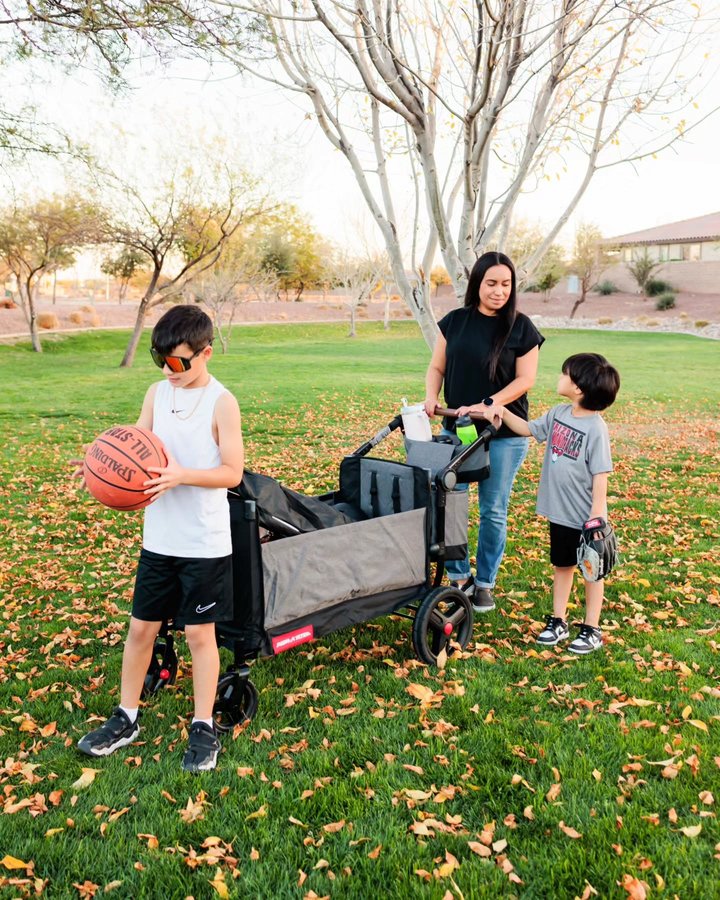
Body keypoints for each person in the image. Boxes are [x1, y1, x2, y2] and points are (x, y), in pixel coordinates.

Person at [75, 305, 244, 771]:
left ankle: (204, 725)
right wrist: (99, 467)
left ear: (206, 353)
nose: (168, 371)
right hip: (160, 540)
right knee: (140, 630)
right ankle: (126, 718)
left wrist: (181, 475)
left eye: (177, 362)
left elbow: (232, 472)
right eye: (160, 360)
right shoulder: (156, 393)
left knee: (198, 636)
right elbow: (135, 448)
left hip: (204, 543)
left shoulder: (221, 402)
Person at [424, 251, 544, 613]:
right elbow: (437, 367)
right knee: (452, 505)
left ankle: (486, 583)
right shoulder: (455, 322)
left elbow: (526, 379)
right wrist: (431, 397)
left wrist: (490, 402)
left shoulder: (521, 327)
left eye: (506, 284)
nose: (499, 291)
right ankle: (460, 577)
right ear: (477, 284)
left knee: (493, 509)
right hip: (457, 431)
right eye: (491, 283)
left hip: (502, 435)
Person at [483, 352, 620, 653]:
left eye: (564, 374)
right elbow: (530, 430)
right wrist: (501, 410)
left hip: (586, 518)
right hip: (560, 513)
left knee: (591, 572)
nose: (559, 377)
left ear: (579, 388)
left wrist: (597, 513)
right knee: (562, 566)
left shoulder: (596, 428)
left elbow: (601, 473)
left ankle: (592, 628)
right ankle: (559, 621)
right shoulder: (559, 413)